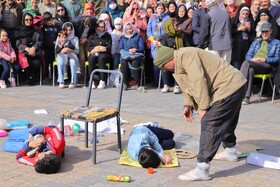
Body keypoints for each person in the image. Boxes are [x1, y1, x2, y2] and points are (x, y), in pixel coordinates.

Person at [153, 46, 247, 181]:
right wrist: (188, 105)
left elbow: (198, 81)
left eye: (163, 66)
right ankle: (231, 151)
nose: (163, 70)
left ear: (169, 59)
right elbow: (189, 86)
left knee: (210, 123)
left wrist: (203, 108)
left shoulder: (186, 55)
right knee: (225, 120)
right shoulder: (179, 62)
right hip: (234, 85)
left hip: (229, 86)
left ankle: (202, 169)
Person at [240, 22, 280, 104]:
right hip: (253, 64)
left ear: (271, 31)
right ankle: (246, 97)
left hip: (267, 66)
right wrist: (253, 59)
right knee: (250, 69)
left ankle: (239, 92)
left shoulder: (276, 43)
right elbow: (248, 55)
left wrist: (264, 59)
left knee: (247, 63)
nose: (264, 34)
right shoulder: (256, 42)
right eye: (263, 32)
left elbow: (277, 59)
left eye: (266, 31)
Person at [15, 12, 42, 85]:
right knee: (26, 61)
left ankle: (32, 76)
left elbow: (39, 41)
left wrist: (33, 48)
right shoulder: (19, 30)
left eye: (30, 20)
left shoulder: (35, 30)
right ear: (23, 20)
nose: (29, 21)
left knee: (36, 63)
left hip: (34, 52)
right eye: (26, 20)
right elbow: (18, 43)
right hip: (23, 52)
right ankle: (29, 77)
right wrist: (26, 49)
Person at [159, 18, 183, 94]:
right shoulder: (163, 37)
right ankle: (166, 85)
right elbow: (164, 50)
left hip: (179, 56)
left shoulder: (180, 35)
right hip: (168, 57)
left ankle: (177, 85)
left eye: (177, 25)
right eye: (175, 25)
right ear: (170, 26)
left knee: (179, 64)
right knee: (164, 64)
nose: (177, 27)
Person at [87, 19, 112, 89]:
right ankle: (92, 81)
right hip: (95, 53)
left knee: (101, 59)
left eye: (102, 27)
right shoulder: (92, 35)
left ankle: (103, 81)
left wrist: (98, 48)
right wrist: (97, 49)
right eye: (98, 26)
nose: (100, 28)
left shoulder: (108, 36)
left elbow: (108, 48)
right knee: (91, 58)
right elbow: (89, 47)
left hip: (105, 54)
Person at [119, 22, 145, 90]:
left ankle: (137, 82)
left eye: (130, 29)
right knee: (124, 63)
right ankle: (125, 83)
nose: (129, 30)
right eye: (127, 29)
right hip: (126, 55)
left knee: (135, 63)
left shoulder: (138, 36)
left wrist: (136, 50)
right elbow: (121, 48)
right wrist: (128, 51)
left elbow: (142, 48)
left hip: (136, 55)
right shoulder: (122, 38)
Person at [231, 4, 255, 70]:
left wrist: (249, 29)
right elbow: (230, 32)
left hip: (247, 49)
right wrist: (238, 29)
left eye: (246, 14)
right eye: (243, 14)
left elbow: (253, 36)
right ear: (239, 13)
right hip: (236, 49)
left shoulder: (251, 22)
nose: (244, 16)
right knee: (236, 68)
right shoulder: (234, 21)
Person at [56, 22, 79, 89]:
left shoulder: (75, 38)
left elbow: (77, 51)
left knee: (73, 62)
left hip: (71, 55)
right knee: (60, 62)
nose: (68, 32)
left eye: (70, 30)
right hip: (61, 54)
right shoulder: (60, 37)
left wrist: (69, 50)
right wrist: (61, 49)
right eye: (66, 30)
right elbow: (56, 50)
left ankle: (73, 81)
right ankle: (61, 81)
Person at [41, 12, 57, 80]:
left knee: (53, 62)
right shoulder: (43, 29)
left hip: (54, 49)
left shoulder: (55, 28)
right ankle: (46, 76)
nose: (49, 22)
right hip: (46, 49)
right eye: (47, 20)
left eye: (50, 20)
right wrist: (42, 49)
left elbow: (58, 36)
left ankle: (55, 76)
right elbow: (41, 39)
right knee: (46, 63)